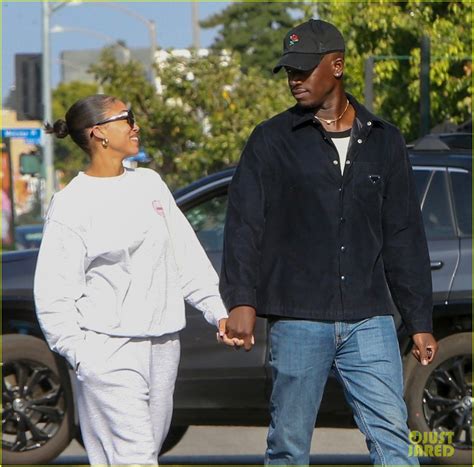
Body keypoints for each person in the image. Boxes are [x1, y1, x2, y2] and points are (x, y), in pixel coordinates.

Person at [220, 19, 438, 466]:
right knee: (289, 446)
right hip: (298, 317)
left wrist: (419, 319)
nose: (295, 80)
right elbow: (244, 224)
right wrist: (241, 299)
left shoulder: (385, 140)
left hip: (370, 319)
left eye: (304, 69)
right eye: (289, 71)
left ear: (336, 66)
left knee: (393, 441)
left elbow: (403, 235)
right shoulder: (271, 140)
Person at [34, 95, 238, 465]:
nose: (135, 125)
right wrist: (83, 356)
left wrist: (217, 311)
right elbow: (53, 293)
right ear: (99, 133)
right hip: (107, 347)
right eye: (127, 118)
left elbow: (185, 257)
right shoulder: (71, 204)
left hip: (163, 346)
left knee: (139, 452)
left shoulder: (150, 185)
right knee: (137, 456)